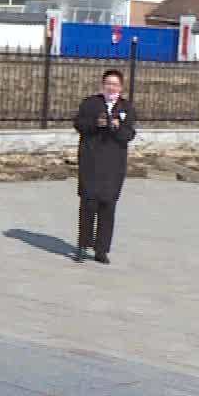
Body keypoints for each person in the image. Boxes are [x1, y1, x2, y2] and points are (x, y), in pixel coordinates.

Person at [73, 69, 136, 264]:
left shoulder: (126, 108)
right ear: (103, 85)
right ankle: (83, 245)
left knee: (108, 206)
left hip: (113, 164)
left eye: (115, 84)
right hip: (91, 161)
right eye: (108, 83)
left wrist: (117, 127)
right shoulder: (91, 103)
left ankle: (102, 249)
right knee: (88, 203)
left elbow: (129, 135)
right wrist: (96, 123)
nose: (111, 87)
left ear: (121, 87)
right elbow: (79, 124)